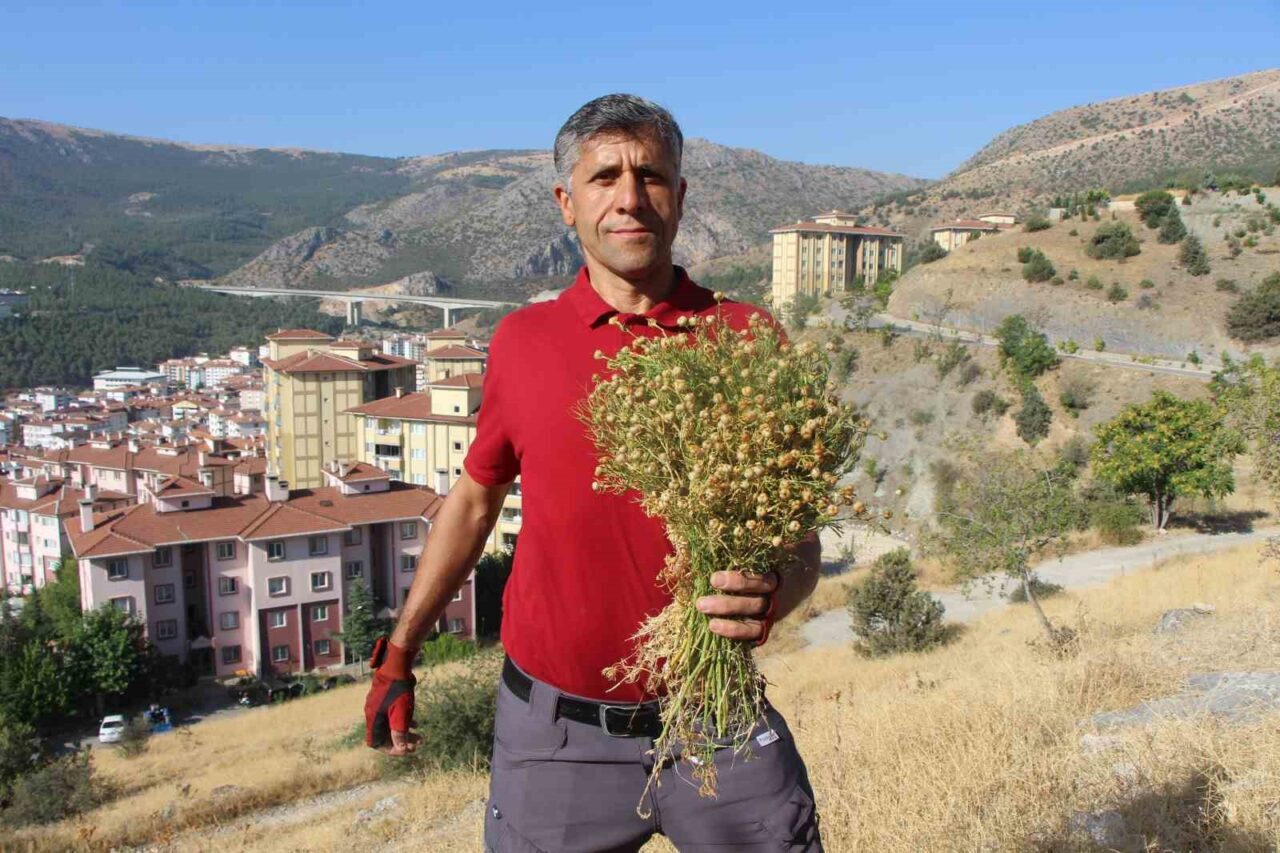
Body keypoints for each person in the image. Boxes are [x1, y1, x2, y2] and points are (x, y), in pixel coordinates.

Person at [364, 93, 823, 852]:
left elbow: (799, 538)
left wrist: (778, 590)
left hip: (719, 718)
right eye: (604, 176)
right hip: (554, 740)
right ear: (566, 203)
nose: (629, 197)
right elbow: (475, 501)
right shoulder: (522, 341)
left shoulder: (748, 338)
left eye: (651, 175)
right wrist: (400, 652)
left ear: (680, 197)